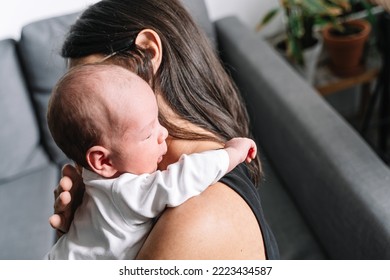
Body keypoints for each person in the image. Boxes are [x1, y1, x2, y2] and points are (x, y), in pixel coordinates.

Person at [50, 0, 280, 259]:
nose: (87, 122)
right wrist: (82, 231)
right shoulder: (140, 173)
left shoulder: (197, 219)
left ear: (147, 53)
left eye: (95, 80)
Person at [45, 63, 257, 259]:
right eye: (147, 134)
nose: (163, 133)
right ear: (103, 161)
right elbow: (181, 179)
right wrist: (230, 154)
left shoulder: (93, 178)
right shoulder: (126, 192)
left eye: (158, 120)